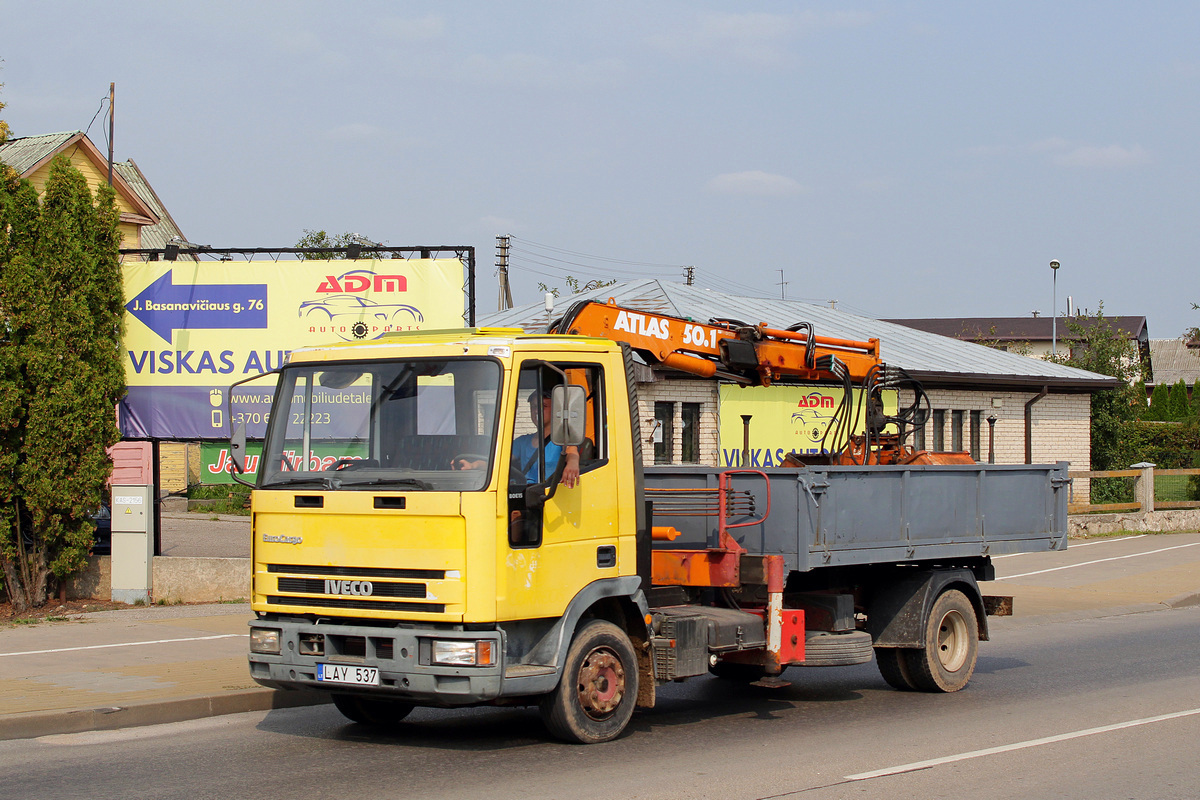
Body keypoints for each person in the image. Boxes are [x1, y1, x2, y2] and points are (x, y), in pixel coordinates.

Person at [451, 387, 579, 488]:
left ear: (556, 410)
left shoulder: (563, 438)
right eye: (533, 406)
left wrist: (572, 463)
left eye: (543, 406)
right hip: (527, 494)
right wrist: (473, 465)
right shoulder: (522, 442)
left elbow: (571, 452)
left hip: (550, 495)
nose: (537, 411)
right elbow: (499, 462)